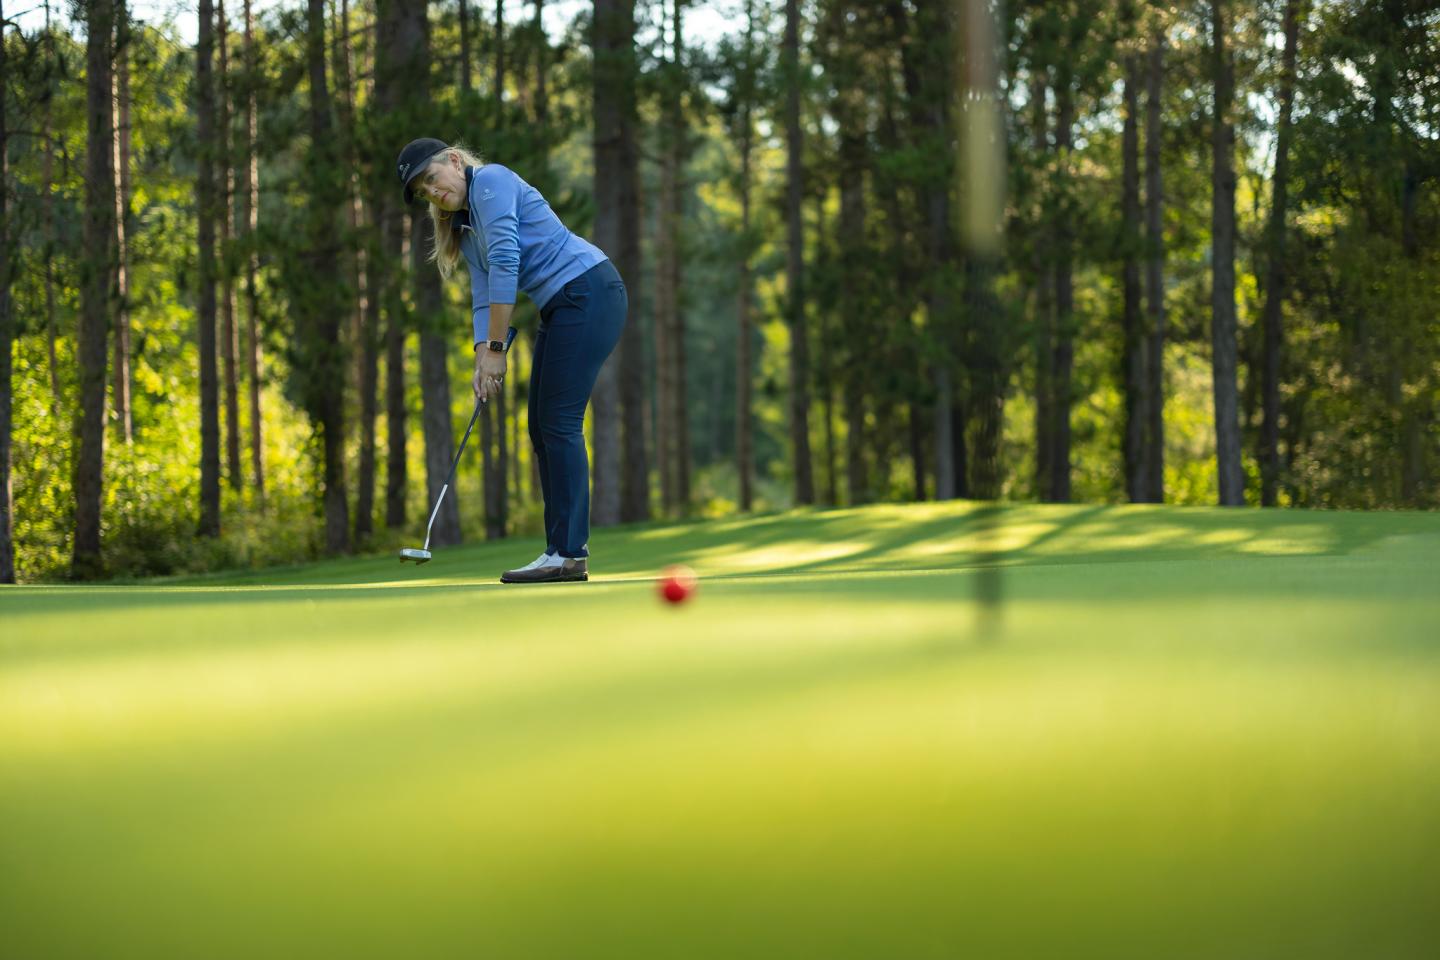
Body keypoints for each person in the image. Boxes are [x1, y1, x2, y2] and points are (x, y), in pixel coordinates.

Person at [395, 138, 627, 584]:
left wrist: (499, 350)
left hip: (589, 291)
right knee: (541, 426)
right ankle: (559, 551)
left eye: (432, 178)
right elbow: (484, 293)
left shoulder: (492, 181)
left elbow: (505, 259)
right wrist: (483, 356)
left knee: (558, 423)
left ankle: (569, 553)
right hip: (565, 304)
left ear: (455, 161)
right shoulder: (463, 228)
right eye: (424, 191)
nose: (433, 192)